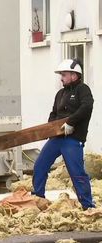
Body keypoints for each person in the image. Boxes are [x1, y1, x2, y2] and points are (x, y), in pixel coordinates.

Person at [32, 58, 95, 209]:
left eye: (64, 74)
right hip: (57, 139)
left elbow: (87, 107)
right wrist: (49, 128)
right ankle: (38, 198)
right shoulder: (60, 93)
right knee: (40, 165)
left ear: (74, 75)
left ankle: (88, 205)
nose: (61, 78)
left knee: (77, 173)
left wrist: (71, 122)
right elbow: (54, 113)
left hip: (72, 140)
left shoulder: (83, 89)